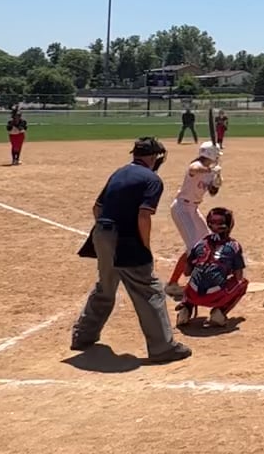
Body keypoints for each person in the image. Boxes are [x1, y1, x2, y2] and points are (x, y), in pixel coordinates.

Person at [69, 137, 190, 363]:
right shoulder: (152, 179)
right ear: (153, 157)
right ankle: (163, 348)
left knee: (105, 286)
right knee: (150, 290)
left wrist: (106, 236)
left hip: (101, 233)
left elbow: (97, 208)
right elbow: (143, 216)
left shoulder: (119, 172)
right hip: (126, 238)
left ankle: (83, 336)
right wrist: (145, 247)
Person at [168, 206, 248, 328]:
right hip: (215, 296)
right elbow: (239, 276)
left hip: (193, 294)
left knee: (194, 278)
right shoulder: (234, 245)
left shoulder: (200, 243)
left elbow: (187, 272)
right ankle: (220, 312)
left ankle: (186, 308)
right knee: (243, 283)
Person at [169, 142, 222, 251]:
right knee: (194, 245)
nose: (217, 158)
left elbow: (212, 192)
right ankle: (192, 262)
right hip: (181, 208)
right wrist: (210, 170)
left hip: (193, 209)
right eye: (216, 155)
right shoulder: (197, 165)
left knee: (207, 238)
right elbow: (193, 169)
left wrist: (216, 184)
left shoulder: (210, 172)